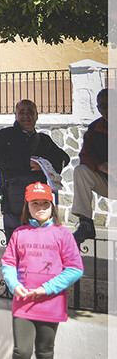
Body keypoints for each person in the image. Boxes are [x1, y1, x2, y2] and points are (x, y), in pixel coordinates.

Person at [0, 181, 83, 359]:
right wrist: (14, 285)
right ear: (28, 205)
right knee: (21, 352)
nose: (40, 207)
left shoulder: (62, 235)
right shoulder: (19, 234)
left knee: (45, 355)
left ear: (52, 206)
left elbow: (75, 268)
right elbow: (8, 264)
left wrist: (47, 288)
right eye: (35, 203)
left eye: (45, 203)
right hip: (23, 304)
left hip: (50, 305)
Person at [0, 99, 70, 240]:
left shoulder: (44, 140)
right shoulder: (4, 136)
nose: (26, 116)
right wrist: (26, 162)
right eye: (22, 112)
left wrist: (44, 165)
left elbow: (63, 158)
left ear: (36, 115)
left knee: (41, 242)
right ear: (16, 115)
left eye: (30, 112)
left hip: (40, 201)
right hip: (14, 198)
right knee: (16, 242)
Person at [71, 88, 109, 246]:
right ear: (98, 108)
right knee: (80, 171)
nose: (108, 109)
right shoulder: (94, 129)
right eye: (103, 105)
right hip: (107, 181)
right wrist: (100, 166)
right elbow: (84, 156)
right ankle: (86, 223)